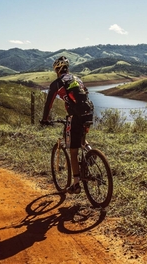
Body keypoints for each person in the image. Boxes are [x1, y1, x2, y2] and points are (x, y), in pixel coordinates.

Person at [40, 56, 94, 194]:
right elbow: (85, 95)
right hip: (89, 112)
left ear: (57, 70)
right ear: (67, 69)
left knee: (73, 150)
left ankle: (76, 185)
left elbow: (48, 104)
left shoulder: (57, 83)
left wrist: (45, 119)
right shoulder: (77, 79)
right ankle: (91, 152)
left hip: (75, 116)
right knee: (81, 138)